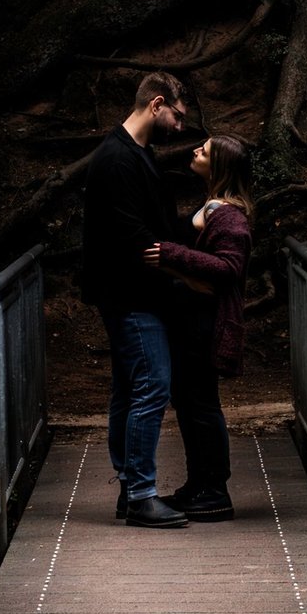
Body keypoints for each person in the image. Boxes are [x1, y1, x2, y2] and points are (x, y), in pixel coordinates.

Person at [81, 70, 191, 530]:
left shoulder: (135, 153)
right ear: (157, 103)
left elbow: (156, 229)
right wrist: (174, 261)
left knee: (129, 389)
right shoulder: (118, 159)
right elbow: (137, 237)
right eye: (178, 117)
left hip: (130, 292)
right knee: (151, 387)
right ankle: (141, 493)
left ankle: (132, 489)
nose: (180, 127)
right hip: (130, 295)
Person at [143, 134, 253, 522]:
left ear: (220, 164)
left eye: (204, 150)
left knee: (202, 404)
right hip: (190, 321)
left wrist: (171, 254)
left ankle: (215, 491)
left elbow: (228, 268)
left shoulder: (229, 215)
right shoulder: (213, 207)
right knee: (188, 403)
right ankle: (197, 485)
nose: (195, 151)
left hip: (205, 325)